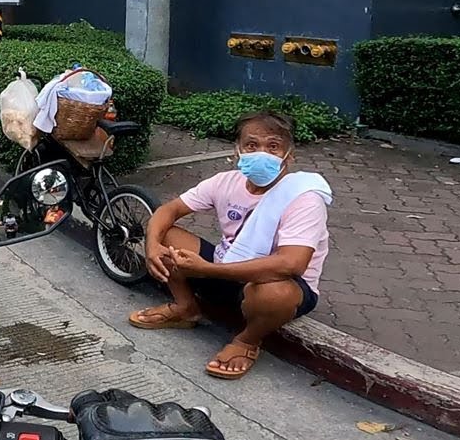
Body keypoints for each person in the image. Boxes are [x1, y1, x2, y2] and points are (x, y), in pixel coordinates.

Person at [128, 110, 332, 380]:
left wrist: (207, 270)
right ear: (238, 151)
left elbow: (291, 264)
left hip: (278, 286)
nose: (261, 153)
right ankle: (185, 308)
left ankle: (247, 341)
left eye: (273, 146)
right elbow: (169, 210)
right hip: (226, 266)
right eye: (251, 145)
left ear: (289, 155)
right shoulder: (225, 182)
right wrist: (152, 245)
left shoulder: (303, 198)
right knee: (167, 235)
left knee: (275, 294)